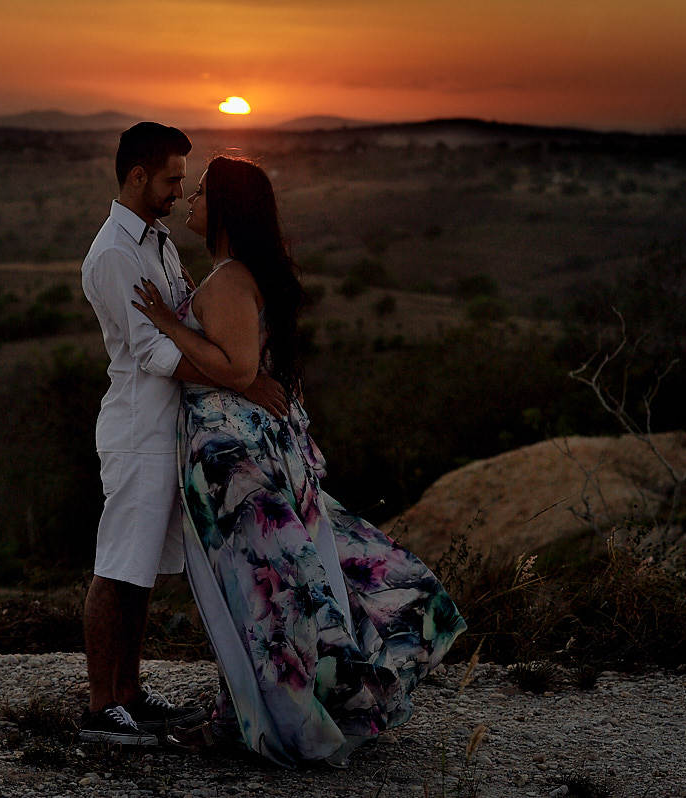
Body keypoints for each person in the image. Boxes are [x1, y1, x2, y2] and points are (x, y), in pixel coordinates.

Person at [132, 156, 467, 767]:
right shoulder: (240, 274)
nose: (190, 200)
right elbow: (251, 369)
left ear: (227, 207)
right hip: (238, 452)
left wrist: (164, 324)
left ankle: (269, 720)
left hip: (233, 463)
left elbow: (235, 369)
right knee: (273, 589)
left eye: (202, 191)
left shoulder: (230, 279)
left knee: (255, 594)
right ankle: (254, 713)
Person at [79, 125, 286, 746]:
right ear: (137, 176)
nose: (179, 191)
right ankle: (99, 708)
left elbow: (181, 329)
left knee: (141, 573)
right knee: (117, 568)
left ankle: (129, 694)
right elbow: (152, 353)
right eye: (172, 179)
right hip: (139, 427)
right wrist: (242, 380)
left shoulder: (158, 242)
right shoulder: (117, 253)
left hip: (169, 429)